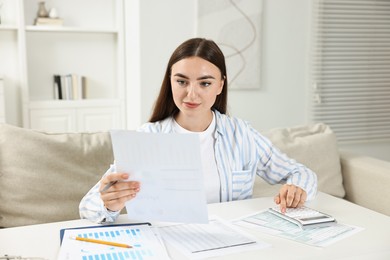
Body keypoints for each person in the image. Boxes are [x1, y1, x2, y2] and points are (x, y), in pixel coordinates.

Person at [79, 38, 317, 223]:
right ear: (170, 81)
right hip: (169, 244)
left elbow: (301, 173)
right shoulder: (147, 138)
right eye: (181, 81)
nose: (191, 94)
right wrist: (109, 204)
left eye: (205, 83)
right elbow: (87, 207)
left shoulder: (242, 134)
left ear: (220, 85)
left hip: (232, 244)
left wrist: (297, 188)